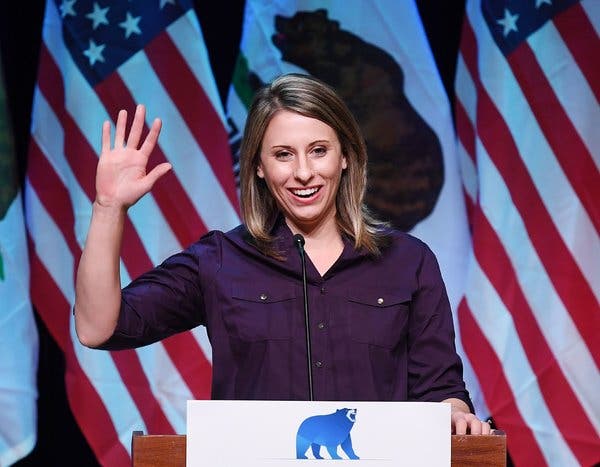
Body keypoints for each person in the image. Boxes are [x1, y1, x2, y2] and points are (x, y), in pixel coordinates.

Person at [74, 73, 490, 435]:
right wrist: (108, 208)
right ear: (258, 166)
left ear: (345, 156)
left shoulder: (408, 261)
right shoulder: (221, 260)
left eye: (319, 150)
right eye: (283, 155)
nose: (304, 173)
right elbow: (97, 327)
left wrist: (456, 415)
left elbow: (440, 390)